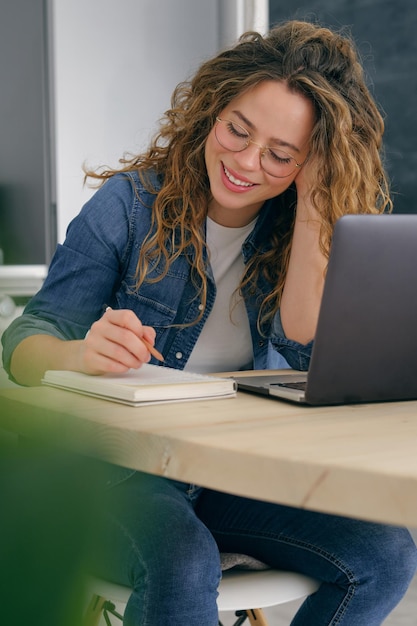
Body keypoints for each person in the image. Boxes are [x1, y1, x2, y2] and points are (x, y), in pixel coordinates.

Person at [2, 19, 416, 626]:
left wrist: (315, 206)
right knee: (182, 562)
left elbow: (303, 354)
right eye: (237, 131)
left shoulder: (293, 232)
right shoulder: (128, 206)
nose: (246, 162)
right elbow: (21, 347)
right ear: (212, 110)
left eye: (281, 155)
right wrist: (79, 354)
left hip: (225, 477)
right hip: (117, 475)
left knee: (386, 552)